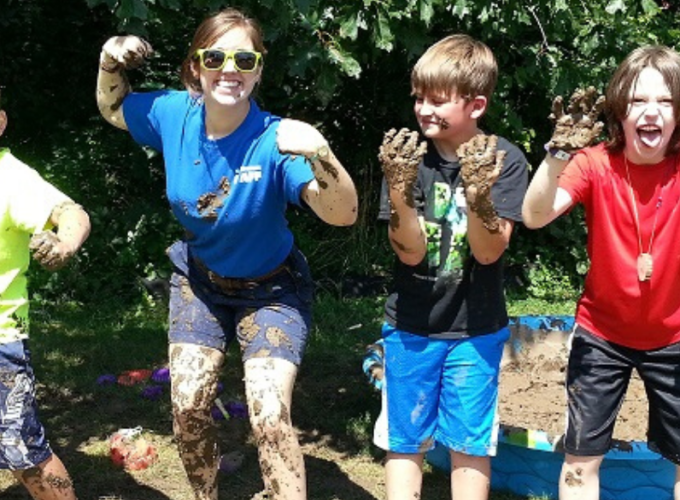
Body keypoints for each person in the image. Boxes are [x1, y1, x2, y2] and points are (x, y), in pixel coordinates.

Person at [95, 8, 357, 500]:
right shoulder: (174, 113)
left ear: (258, 69)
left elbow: (341, 214)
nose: (229, 68)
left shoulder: (277, 139)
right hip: (201, 280)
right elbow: (114, 110)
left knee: (270, 415)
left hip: (273, 290)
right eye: (215, 56)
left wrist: (322, 153)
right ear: (196, 65)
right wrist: (110, 64)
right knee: (189, 405)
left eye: (244, 58)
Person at [374, 34, 528, 500]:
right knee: (404, 441)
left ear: (476, 104)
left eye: (438, 100)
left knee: (469, 442)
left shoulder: (506, 160)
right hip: (411, 327)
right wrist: (399, 191)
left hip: (476, 330)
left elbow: (488, 252)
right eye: (419, 97)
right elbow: (410, 253)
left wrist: (479, 196)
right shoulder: (407, 159)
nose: (424, 109)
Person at [522, 45, 680, 500]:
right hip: (603, 335)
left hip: (674, 336)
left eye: (666, 101)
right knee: (580, 460)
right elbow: (535, 215)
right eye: (638, 100)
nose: (651, 112)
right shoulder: (594, 163)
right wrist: (556, 155)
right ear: (618, 108)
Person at [0, 89, 91, 500]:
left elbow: (71, 213)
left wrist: (64, 244)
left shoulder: (12, 178)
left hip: (0, 340)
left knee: (25, 455)